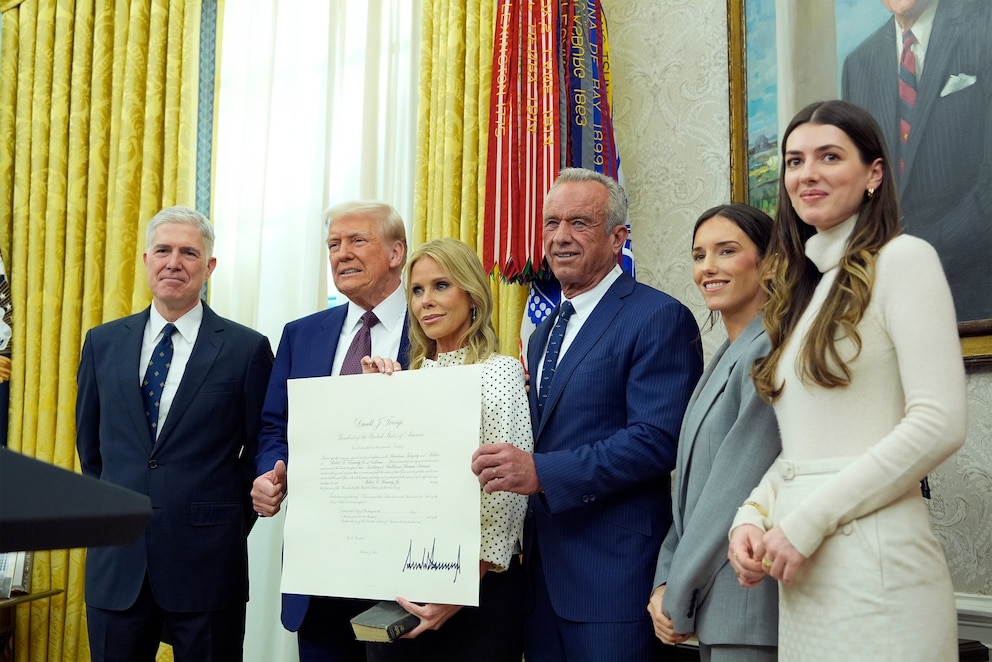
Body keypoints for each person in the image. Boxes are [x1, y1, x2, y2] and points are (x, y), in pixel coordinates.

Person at [727, 100, 967, 661]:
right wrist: (752, 515)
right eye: (794, 161)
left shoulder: (905, 259)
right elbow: (805, 450)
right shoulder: (807, 290)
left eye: (829, 157)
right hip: (802, 570)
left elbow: (939, 423)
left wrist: (805, 522)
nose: (807, 173)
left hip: (876, 570)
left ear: (873, 174)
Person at [470, 167, 703, 661]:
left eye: (580, 223)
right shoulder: (544, 330)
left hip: (614, 580)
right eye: (551, 223)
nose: (560, 237)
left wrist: (541, 472)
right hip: (540, 582)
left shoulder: (658, 316)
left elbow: (656, 440)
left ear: (618, 237)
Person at [76, 206, 274, 662]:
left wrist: (220, 521)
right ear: (146, 259)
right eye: (163, 250)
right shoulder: (102, 342)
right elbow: (92, 449)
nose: (174, 262)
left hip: (207, 562)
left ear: (209, 267)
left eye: (189, 252)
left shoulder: (246, 349)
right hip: (117, 561)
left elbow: (259, 447)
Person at [251, 201, 409, 662]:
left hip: (402, 569)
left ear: (396, 252)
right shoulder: (302, 334)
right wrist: (269, 474)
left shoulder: (432, 325)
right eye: (333, 245)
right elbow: (274, 427)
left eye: (358, 241)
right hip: (318, 570)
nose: (342, 254)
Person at [361, 237, 532, 662]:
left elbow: (506, 494)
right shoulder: (406, 377)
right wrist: (373, 399)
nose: (426, 302)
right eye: (417, 291)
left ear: (472, 295)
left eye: (441, 286)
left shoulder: (500, 371)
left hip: (478, 591)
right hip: (401, 586)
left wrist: (462, 588)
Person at [648, 203, 780, 661]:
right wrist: (664, 581)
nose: (708, 268)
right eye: (699, 255)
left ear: (770, 262)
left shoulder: (770, 353)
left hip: (749, 607)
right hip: (714, 607)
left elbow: (731, 492)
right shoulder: (725, 355)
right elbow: (689, 493)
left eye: (726, 251)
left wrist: (677, 591)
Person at [841, 0, 992, 321]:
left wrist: (911, 253)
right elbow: (859, 191)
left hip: (979, 288)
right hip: (892, 302)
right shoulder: (858, 65)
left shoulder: (985, 25)